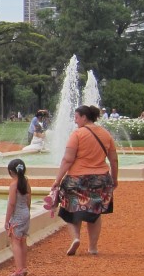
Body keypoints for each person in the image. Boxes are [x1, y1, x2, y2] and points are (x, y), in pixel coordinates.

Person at [50, 105, 119, 257]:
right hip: (101, 178)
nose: (75, 121)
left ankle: (75, 237)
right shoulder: (106, 134)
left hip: (77, 178)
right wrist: (114, 178)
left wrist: (58, 179)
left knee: (70, 208)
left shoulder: (77, 134)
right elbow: (113, 159)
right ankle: (93, 247)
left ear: (84, 117)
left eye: (76, 117)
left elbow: (68, 159)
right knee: (95, 212)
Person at [4, 158, 31, 276]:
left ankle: (19, 269)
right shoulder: (25, 182)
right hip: (25, 213)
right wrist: (27, 212)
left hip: (17, 215)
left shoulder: (14, 184)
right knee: (23, 240)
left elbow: (12, 203)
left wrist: (7, 220)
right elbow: (29, 200)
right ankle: (23, 267)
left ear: (11, 171)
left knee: (15, 241)